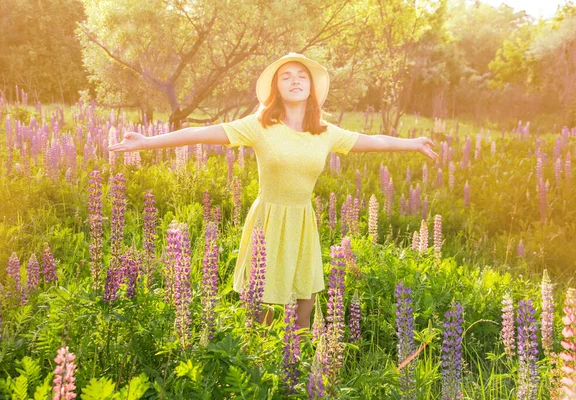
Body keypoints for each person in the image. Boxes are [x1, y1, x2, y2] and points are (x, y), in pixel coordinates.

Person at [108, 52, 438, 330]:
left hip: (302, 221)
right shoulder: (259, 125)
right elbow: (200, 133)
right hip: (267, 221)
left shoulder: (325, 132)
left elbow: (373, 141)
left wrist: (412, 143)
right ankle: (257, 371)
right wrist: (148, 141)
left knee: (304, 307)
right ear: (276, 89)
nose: (295, 80)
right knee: (259, 306)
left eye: (302, 76)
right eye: (286, 77)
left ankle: (293, 377)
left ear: (311, 89)